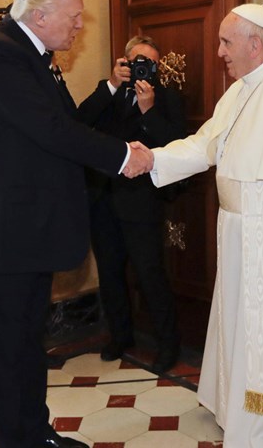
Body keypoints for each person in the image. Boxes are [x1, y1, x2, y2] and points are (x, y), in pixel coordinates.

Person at [0, 0, 152, 447]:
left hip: (23, 235)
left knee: (26, 348)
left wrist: (119, 140)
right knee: (4, 357)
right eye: (74, 16)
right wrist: (122, 156)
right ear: (40, 16)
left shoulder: (32, 55)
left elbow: (67, 124)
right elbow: (50, 129)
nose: (81, 25)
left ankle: (35, 435)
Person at [136, 3, 263, 446]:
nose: (218, 52)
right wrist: (153, 158)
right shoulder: (240, 90)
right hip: (238, 235)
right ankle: (239, 414)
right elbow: (204, 144)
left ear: (255, 43)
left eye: (226, 42)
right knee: (238, 329)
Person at [76, 35, 186, 373]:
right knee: (109, 274)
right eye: (137, 60)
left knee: (150, 275)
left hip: (141, 204)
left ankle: (169, 345)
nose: (142, 68)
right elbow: (77, 123)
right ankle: (120, 336)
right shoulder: (106, 91)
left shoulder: (166, 99)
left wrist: (148, 110)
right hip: (102, 200)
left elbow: (177, 145)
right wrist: (111, 85)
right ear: (123, 61)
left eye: (150, 63)